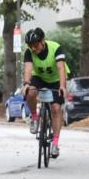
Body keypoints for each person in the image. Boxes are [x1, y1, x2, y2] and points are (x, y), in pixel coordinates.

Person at [23, 27, 70, 158]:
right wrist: (26, 84)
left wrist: (62, 86)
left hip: (56, 80)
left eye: (35, 45)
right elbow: (28, 69)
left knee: (56, 109)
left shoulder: (56, 48)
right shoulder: (29, 52)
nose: (33, 48)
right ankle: (34, 118)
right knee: (30, 92)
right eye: (30, 46)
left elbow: (61, 68)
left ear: (42, 41)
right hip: (39, 77)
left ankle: (55, 143)